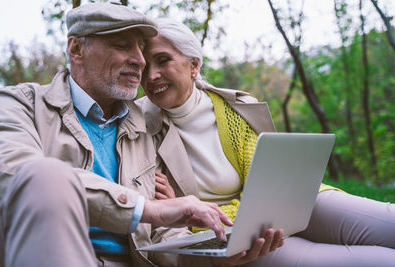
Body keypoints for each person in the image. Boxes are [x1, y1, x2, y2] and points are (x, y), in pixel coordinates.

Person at [138, 18, 395, 267]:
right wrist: (188, 218)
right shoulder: (139, 129)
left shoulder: (232, 109)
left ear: (194, 65)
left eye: (163, 61)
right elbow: (163, 221)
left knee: (389, 225)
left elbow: (267, 187)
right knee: (380, 261)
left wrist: (202, 213)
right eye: (144, 67)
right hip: (237, 238)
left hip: (293, 202)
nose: (151, 76)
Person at [0, 3, 234, 267]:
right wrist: (148, 208)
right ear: (76, 50)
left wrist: (219, 257)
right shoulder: (18, 104)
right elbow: (13, 175)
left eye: (140, 49)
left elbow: (163, 236)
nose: (140, 61)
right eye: (122, 46)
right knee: (45, 175)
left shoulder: (145, 128)